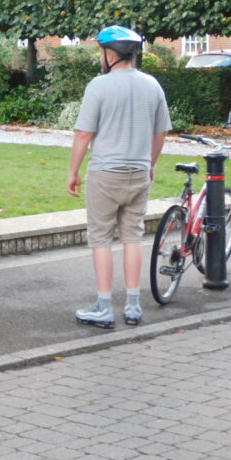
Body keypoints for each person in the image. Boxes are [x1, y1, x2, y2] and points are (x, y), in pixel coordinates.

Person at [67, 25, 172, 328]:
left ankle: (103, 306)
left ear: (110, 54)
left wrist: (73, 171)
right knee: (133, 237)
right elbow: (161, 131)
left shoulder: (98, 86)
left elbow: (84, 133)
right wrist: (150, 163)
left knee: (100, 238)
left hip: (105, 173)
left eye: (102, 52)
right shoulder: (152, 85)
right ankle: (133, 306)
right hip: (139, 173)